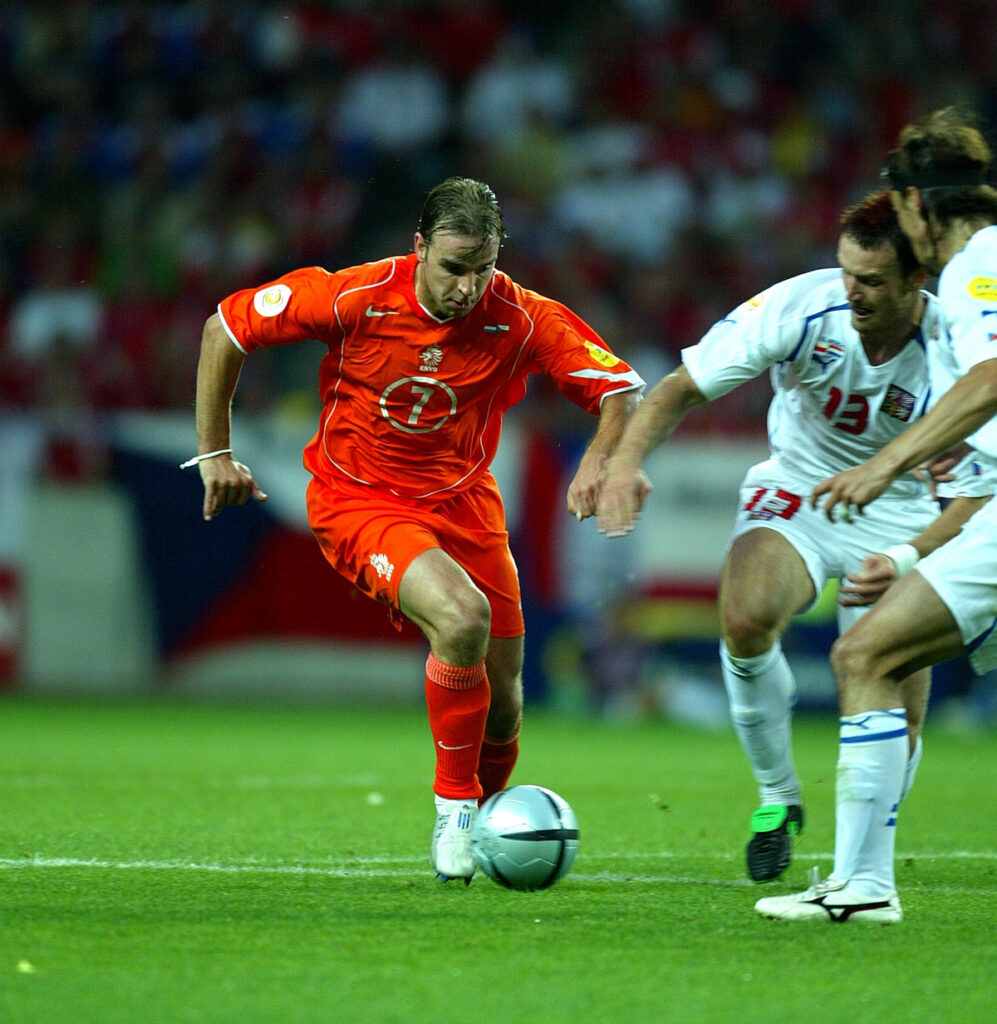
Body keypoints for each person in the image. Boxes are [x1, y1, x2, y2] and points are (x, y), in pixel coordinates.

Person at [188, 176, 644, 883]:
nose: (467, 287)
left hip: (466, 506)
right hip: (358, 499)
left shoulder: (520, 317)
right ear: (419, 248)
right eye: (452, 267)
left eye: (482, 268)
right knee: (462, 620)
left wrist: (600, 460)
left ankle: (491, 822)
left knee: (505, 696)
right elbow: (226, 327)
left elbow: (620, 389)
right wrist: (215, 452)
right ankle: (454, 814)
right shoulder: (354, 294)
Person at [596, 190, 992, 885]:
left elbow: (976, 493)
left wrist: (911, 552)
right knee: (744, 619)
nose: (853, 292)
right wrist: (626, 464)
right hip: (799, 492)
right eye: (847, 273)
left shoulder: (958, 349)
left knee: (893, 699)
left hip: (906, 517)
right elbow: (676, 389)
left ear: (914, 281)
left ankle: (856, 866)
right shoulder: (801, 307)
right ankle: (778, 798)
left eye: (871, 281)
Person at [755, 107, 997, 923]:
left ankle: (863, 889)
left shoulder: (975, 268)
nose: (903, 234)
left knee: (864, 656)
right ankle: (860, 885)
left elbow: (991, 380)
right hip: (986, 509)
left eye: (900, 214)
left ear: (922, 206)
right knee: (871, 656)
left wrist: (884, 461)